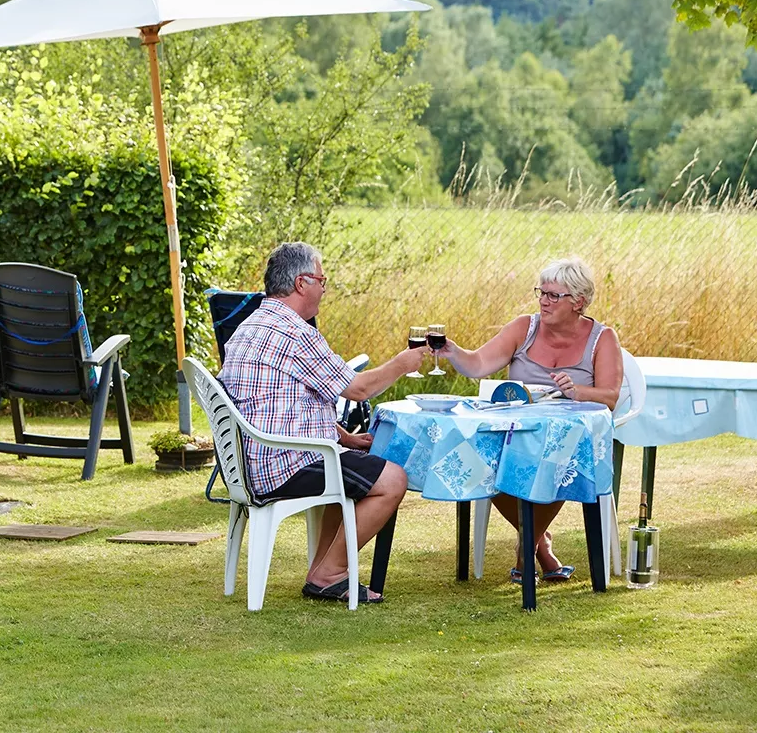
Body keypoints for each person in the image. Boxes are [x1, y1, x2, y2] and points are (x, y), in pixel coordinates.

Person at [218, 242, 427, 605]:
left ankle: (325, 571)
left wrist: (343, 436)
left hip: (251, 462)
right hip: (284, 464)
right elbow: (358, 389)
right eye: (322, 280)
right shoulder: (296, 333)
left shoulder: (250, 325)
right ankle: (328, 575)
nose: (324, 289)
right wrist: (400, 364)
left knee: (349, 474)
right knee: (394, 479)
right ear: (302, 283)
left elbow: (277, 402)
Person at [435, 256, 623, 584]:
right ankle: (537, 540)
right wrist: (454, 352)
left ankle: (529, 546)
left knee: (564, 455)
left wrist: (577, 391)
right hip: (515, 431)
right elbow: (479, 364)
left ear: (578, 302)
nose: (543, 301)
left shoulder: (602, 339)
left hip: (567, 436)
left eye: (554, 295)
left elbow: (610, 396)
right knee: (475, 453)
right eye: (542, 292)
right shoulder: (525, 327)